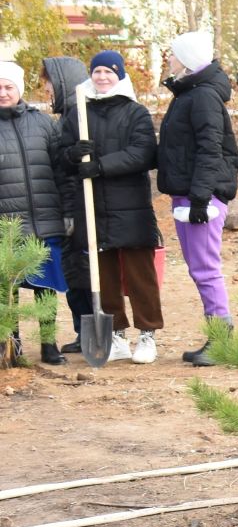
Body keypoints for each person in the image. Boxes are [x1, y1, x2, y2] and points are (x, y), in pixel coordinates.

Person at [56, 51, 160, 365]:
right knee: (104, 277)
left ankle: (147, 334)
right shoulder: (78, 113)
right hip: (93, 209)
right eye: (97, 71)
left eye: (108, 71)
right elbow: (60, 155)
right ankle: (116, 335)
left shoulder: (135, 112)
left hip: (131, 208)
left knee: (140, 275)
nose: (102, 77)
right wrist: (74, 154)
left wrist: (100, 165)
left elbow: (143, 154)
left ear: (120, 75)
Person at [156, 30, 238, 367]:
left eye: (174, 55)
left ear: (188, 61)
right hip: (189, 196)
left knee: (206, 269)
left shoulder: (202, 96)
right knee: (199, 269)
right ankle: (217, 336)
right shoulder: (189, 94)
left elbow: (211, 150)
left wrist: (201, 201)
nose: (170, 60)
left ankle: (221, 340)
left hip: (199, 199)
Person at [0, 60, 70, 365]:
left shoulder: (42, 123)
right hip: (6, 226)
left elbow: (62, 172)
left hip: (44, 221)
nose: (2, 92)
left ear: (20, 89)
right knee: (8, 289)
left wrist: (67, 212)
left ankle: (49, 343)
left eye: (8, 86)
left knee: (47, 287)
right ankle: (10, 345)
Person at [39, 56, 95, 351]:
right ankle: (82, 332)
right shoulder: (65, 116)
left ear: (62, 82)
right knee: (74, 270)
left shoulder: (80, 116)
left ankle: (91, 331)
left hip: (78, 206)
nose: (45, 89)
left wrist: (71, 211)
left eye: (48, 82)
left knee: (82, 270)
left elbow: (73, 174)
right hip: (68, 205)